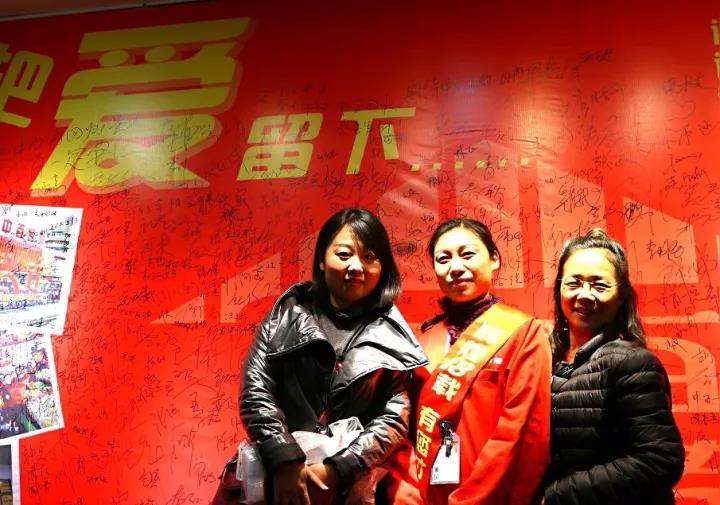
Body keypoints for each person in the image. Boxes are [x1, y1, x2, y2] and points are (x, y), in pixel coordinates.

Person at [240, 208, 428, 505]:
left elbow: (395, 417)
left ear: (383, 267)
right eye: (344, 254)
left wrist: (340, 468)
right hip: (280, 478)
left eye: (369, 257)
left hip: (355, 484)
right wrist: (284, 458)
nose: (356, 266)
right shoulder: (287, 313)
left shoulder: (394, 335)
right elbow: (256, 389)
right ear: (321, 259)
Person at [403, 217, 551, 505]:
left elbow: (520, 433)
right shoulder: (423, 341)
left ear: (494, 259)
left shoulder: (523, 334)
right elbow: (404, 431)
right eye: (443, 259)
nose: (455, 267)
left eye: (467, 254)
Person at [541, 228, 684, 505]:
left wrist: (555, 496)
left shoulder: (632, 362)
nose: (584, 294)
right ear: (559, 289)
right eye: (573, 283)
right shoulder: (543, 357)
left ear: (621, 296)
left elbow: (659, 460)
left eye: (599, 285)